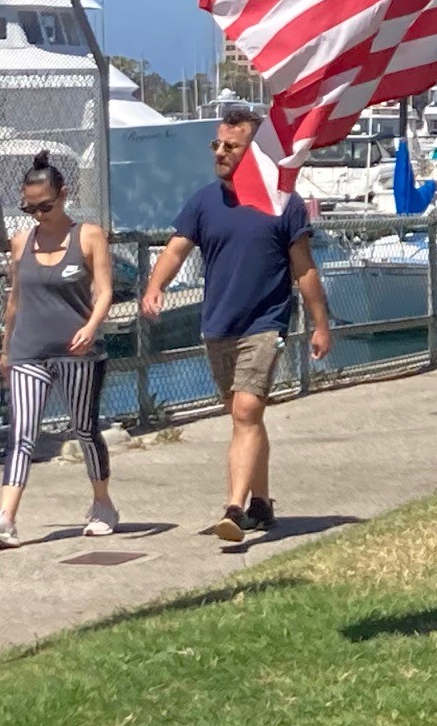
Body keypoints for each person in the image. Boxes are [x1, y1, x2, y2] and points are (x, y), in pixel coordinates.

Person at [142, 110, 332, 542]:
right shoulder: (205, 201)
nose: (221, 153)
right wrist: (155, 286)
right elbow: (174, 251)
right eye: (217, 145)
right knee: (244, 416)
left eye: (231, 146)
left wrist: (321, 324)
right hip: (218, 325)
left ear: (254, 151)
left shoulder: (285, 205)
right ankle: (262, 502)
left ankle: (234, 508)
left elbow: (304, 270)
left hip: (264, 323)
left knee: (246, 411)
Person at [0, 152, 116, 550]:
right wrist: (6, 349)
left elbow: (104, 291)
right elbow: (14, 299)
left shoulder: (88, 236)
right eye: (29, 207)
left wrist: (90, 326)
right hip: (29, 351)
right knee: (22, 433)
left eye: (45, 206)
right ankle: (6, 518)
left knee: (85, 429)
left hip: (77, 352)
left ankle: (102, 502)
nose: (37, 214)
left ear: (63, 195)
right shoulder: (22, 241)